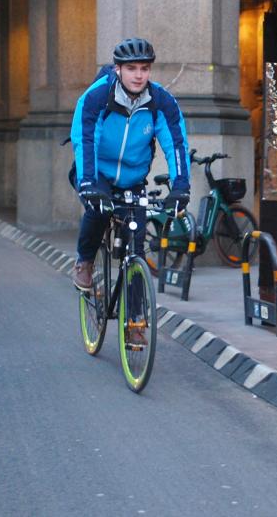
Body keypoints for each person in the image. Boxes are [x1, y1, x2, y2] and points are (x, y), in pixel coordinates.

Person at [70, 38, 191, 323]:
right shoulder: (97, 97)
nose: (139, 75)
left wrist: (181, 186)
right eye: (132, 68)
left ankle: (136, 320)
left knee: (136, 246)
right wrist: (88, 183)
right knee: (98, 212)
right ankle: (85, 261)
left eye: (145, 69)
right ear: (118, 69)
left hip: (133, 178)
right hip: (97, 172)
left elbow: (176, 145)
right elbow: (85, 138)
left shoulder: (161, 102)